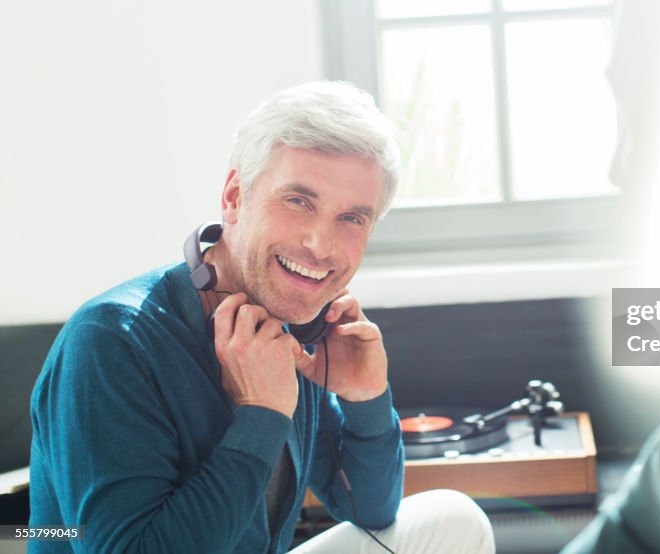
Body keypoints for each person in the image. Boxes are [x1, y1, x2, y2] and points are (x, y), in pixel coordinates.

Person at [29, 81, 495, 553]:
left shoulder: (292, 323)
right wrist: (262, 414)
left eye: (351, 218)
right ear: (234, 196)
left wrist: (366, 398)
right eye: (298, 201)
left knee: (453, 520)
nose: (319, 244)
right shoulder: (111, 340)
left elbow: (370, 510)